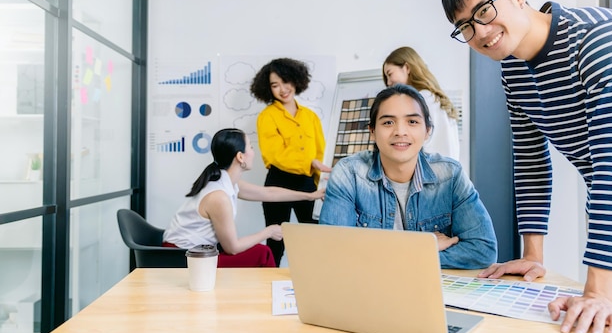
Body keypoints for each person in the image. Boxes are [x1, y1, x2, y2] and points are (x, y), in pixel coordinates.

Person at [441, 0, 612, 333]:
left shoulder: (598, 40)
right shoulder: (513, 69)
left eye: (484, 11)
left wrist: (597, 293)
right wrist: (533, 257)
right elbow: (531, 162)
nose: (481, 32)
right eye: (465, 26)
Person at [319, 84, 497, 269]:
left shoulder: (450, 175)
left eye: (412, 122)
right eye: (388, 122)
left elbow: (482, 250)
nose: (400, 132)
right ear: (372, 131)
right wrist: (418, 248)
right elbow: (333, 250)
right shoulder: (349, 174)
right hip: (369, 288)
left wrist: (385, 256)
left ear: (427, 131)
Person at [162, 128, 325, 268]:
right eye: (251, 147)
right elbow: (232, 247)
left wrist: (310, 196)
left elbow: (269, 193)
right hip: (183, 259)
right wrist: (268, 232)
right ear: (240, 157)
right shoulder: (219, 196)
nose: (253, 153)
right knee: (263, 253)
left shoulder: (227, 182)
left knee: (261, 252)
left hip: (195, 253)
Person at [250, 58, 332, 267]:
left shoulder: (310, 116)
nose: (282, 89)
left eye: (285, 82)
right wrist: (310, 162)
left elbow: (320, 149)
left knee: (313, 232)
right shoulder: (267, 116)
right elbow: (274, 154)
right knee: (277, 237)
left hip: (307, 180)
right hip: (279, 180)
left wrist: (315, 175)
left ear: (295, 80)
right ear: (268, 89)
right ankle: (269, 280)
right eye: (274, 85)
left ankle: (317, 276)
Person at [382, 46, 460, 160]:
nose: (388, 82)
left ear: (407, 68)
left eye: (390, 74)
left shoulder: (421, 99)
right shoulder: (434, 97)